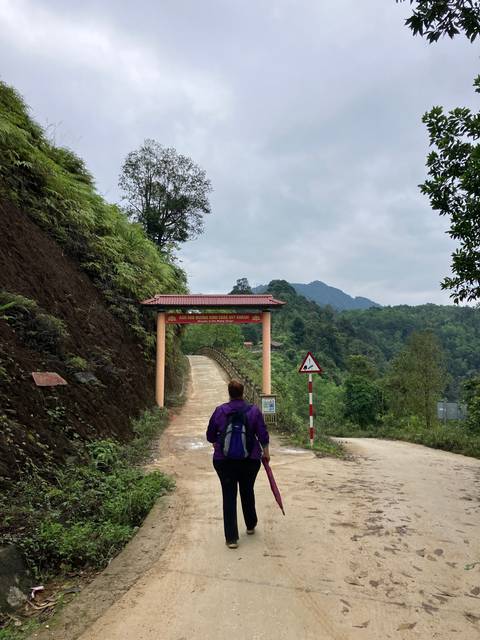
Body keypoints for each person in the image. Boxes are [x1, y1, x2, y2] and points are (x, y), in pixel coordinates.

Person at [206, 379, 270, 549]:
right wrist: (267, 453)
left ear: (229, 393)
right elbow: (262, 433)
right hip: (250, 460)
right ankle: (250, 524)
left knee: (229, 495)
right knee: (247, 489)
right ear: (243, 392)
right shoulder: (254, 411)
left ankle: (231, 538)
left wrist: (217, 442)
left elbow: (210, 435)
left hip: (224, 461)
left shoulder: (220, 411)